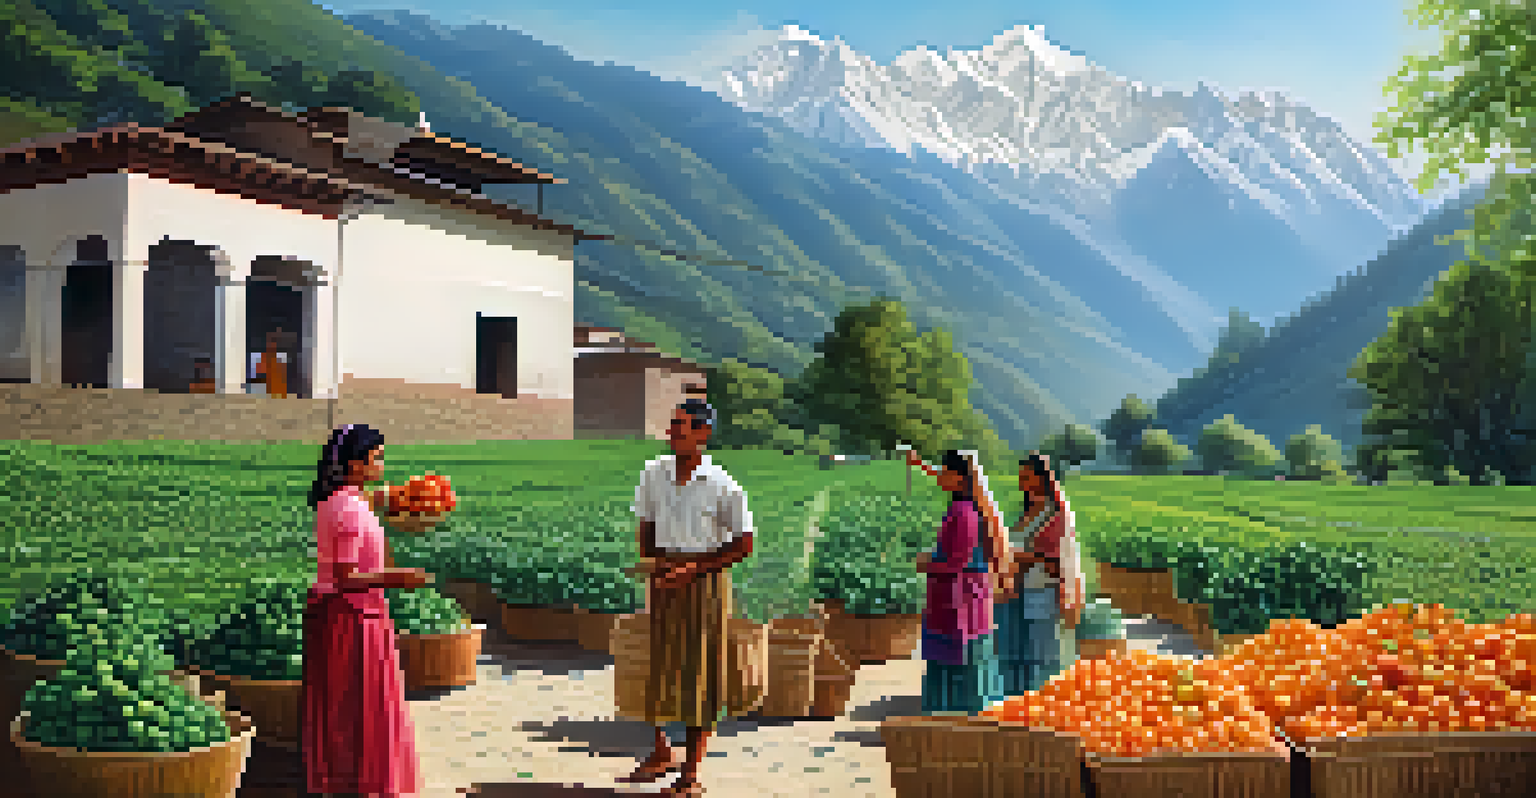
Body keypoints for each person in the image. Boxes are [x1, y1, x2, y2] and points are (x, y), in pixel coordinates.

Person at [622, 399, 755, 797]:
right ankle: (662, 749)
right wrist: (652, 565)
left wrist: (693, 569)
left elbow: (743, 545)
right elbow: (645, 524)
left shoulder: (722, 484)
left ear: (703, 434)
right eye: (673, 425)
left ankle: (691, 773)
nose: (673, 432)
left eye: (682, 426)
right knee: (658, 663)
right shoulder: (653, 474)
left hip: (705, 584)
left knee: (700, 673)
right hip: (664, 578)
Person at [303, 423, 432, 797]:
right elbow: (346, 578)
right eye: (376, 458)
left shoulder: (342, 500)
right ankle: (366, 783)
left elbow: (373, 508)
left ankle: (348, 780)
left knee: (347, 708)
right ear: (355, 465)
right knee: (362, 709)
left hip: (351, 613)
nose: (381, 465)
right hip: (352, 616)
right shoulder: (346, 509)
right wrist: (399, 578)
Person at [906, 448, 1012, 715]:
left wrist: (926, 563)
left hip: (960, 598)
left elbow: (958, 561)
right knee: (956, 658)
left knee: (961, 659)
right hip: (955, 594)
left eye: (945, 472)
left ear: (959, 478)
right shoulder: (962, 507)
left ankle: (960, 715)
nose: (940, 476)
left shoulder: (963, 512)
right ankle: (955, 714)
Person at [994, 452, 1086, 696]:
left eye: (1027, 476)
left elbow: (1057, 561)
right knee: (1021, 654)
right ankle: (1022, 706)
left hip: (1043, 591)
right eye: (1020, 476)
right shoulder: (1027, 514)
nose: (1022, 482)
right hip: (1019, 591)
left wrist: (1021, 556)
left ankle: (1048, 705)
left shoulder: (1056, 515)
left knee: (1044, 654)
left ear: (1042, 478)